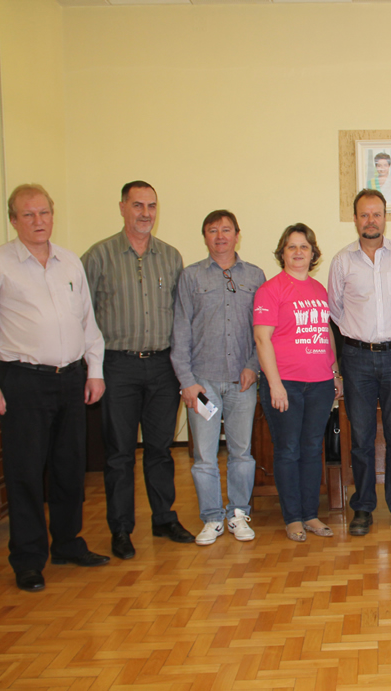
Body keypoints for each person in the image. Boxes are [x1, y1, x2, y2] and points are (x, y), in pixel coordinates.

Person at [0, 184, 109, 592]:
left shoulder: (69, 262)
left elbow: (87, 321)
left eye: (44, 212)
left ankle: (67, 543)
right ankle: (28, 559)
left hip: (71, 378)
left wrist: (95, 370)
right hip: (23, 380)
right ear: (14, 220)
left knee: (69, 467)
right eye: (28, 214)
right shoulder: (2, 263)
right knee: (26, 472)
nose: (38, 221)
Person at [82, 181, 192, 560]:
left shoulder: (171, 257)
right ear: (122, 208)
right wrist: (91, 368)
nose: (146, 213)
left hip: (162, 366)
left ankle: (163, 518)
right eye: (138, 205)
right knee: (120, 453)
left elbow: (181, 317)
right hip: (118, 366)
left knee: (160, 449)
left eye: (151, 206)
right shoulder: (99, 256)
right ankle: (121, 529)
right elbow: (82, 314)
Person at [171, 210, 266, 546]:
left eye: (226, 230)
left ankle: (238, 513)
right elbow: (180, 331)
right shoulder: (191, 276)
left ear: (237, 235)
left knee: (242, 453)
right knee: (204, 456)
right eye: (213, 230)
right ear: (205, 237)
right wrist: (187, 381)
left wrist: (253, 366)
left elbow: (263, 329)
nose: (220, 236)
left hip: (243, 382)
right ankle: (212, 517)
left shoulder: (255, 276)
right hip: (203, 383)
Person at [328, 189, 391, 536]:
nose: (371, 220)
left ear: (385, 218)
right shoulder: (342, 261)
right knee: (361, 439)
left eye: (376, 214)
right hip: (356, 360)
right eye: (364, 215)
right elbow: (335, 312)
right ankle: (363, 507)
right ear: (355, 219)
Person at [254, 224, 343, 542]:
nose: (298, 252)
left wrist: (334, 372)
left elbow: (326, 331)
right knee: (288, 450)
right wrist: (275, 384)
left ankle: (310, 514)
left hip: (319, 384)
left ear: (313, 253)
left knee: (312, 449)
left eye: (304, 246)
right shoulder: (271, 290)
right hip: (286, 384)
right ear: (282, 253)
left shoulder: (319, 290)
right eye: (291, 246)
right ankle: (292, 518)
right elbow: (262, 339)